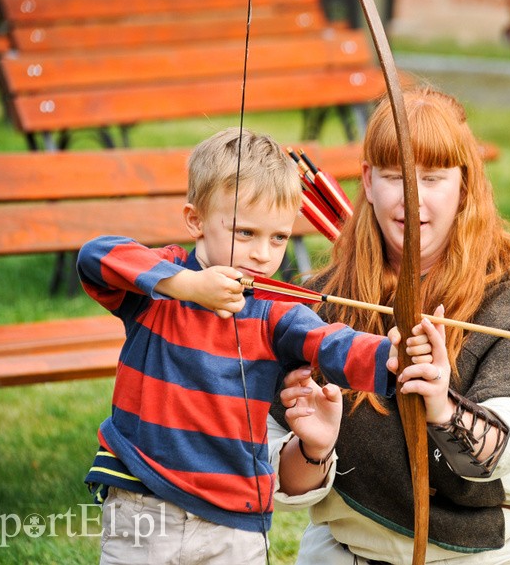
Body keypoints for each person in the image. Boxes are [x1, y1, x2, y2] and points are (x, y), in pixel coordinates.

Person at [268, 88, 510, 564]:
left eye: (432, 178)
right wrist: (314, 447)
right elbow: (280, 480)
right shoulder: (319, 306)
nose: (413, 198)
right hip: (356, 550)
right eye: (395, 176)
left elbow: (496, 455)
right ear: (367, 181)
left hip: (508, 552)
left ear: (464, 185)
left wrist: (441, 406)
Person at [76, 127, 441, 565]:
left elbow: (331, 343)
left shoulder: (274, 309)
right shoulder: (161, 283)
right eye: (245, 232)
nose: (263, 255)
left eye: (279, 238)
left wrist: (391, 356)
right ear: (196, 220)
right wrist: (187, 286)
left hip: (234, 518)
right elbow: (96, 256)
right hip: (143, 499)